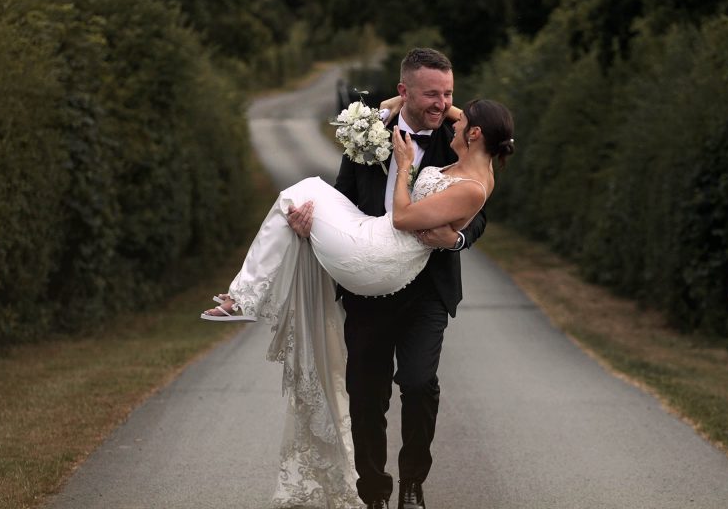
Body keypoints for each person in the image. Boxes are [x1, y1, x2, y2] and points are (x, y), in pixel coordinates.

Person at [204, 48, 515, 509]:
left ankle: (413, 482)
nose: (442, 102)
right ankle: (373, 492)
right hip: (368, 278)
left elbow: (478, 212)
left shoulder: (460, 136)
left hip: (429, 287)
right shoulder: (368, 131)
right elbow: (345, 195)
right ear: (405, 90)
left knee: (417, 382)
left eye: (448, 93)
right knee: (367, 394)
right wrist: (312, 228)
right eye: (432, 93)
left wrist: (458, 240)